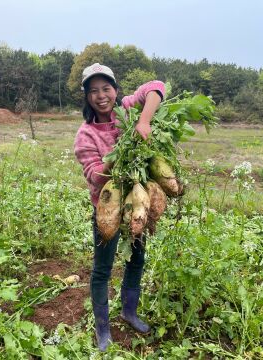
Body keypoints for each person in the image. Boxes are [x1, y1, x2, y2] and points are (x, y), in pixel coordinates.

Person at [74, 63, 165, 351]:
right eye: (94, 91)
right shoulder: (86, 134)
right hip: (109, 209)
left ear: (115, 90)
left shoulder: (126, 110)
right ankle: (103, 329)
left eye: (106, 88)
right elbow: (95, 176)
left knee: (136, 260)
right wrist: (117, 153)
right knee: (102, 269)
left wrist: (144, 121)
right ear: (87, 97)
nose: (101, 95)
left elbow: (157, 87)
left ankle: (129, 311)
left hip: (138, 205)